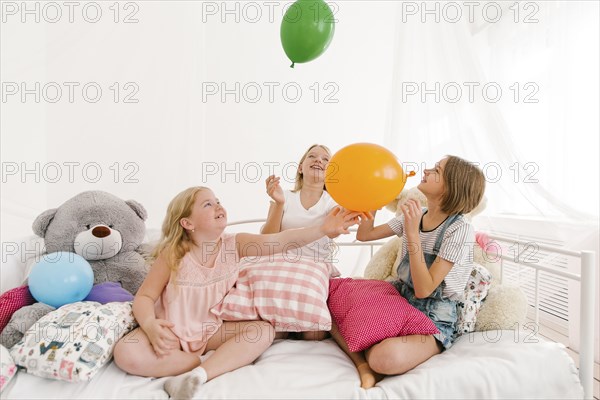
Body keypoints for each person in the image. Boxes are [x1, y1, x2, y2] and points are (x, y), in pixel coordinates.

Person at [113, 186, 361, 399]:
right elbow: (145, 297)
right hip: (170, 329)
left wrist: (323, 229)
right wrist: (150, 325)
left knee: (262, 330)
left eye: (218, 201)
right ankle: (191, 363)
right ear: (187, 223)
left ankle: (199, 374)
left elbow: (282, 241)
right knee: (125, 353)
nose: (218, 206)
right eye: (208, 204)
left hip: (209, 331)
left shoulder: (236, 245)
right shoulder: (173, 253)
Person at [331, 155, 486, 389]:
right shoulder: (417, 214)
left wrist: (412, 234)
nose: (426, 170)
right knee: (333, 297)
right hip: (399, 297)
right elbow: (365, 235)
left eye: (436, 170)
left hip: (433, 315)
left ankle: (369, 359)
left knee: (384, 358)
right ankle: (362, 365)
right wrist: (371, 196)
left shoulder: (460, 229)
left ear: (452, 186)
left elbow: (425, 289)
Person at [261, 144, 339, 340]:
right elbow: (267, 238)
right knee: (277, 332)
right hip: (282, 268)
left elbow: (335, 231)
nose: (318, 160)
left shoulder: (332, 201)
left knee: (314, 334)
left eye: (325, 159)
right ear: (300, 167)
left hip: (314, 271)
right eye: (312, 156)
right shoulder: (284, 196)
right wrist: (279, 203)